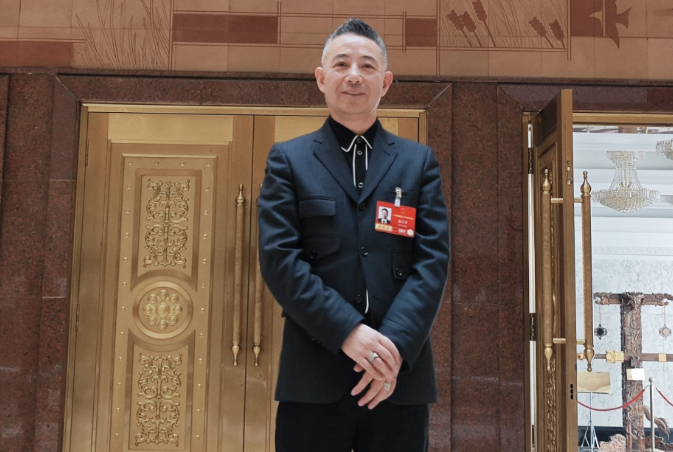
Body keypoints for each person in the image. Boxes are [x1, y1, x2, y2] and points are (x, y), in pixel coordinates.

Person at [257, 18, 450, 452]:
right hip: (313, 376)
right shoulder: (288, 160)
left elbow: (432, 263)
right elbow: (280, 260)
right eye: (341, 64)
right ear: (321, 78)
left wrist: (390, 349)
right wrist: (348, 331)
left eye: (367, 65)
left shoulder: (418, 163)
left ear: (386, 82)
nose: (354, 75)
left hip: (397, 379)